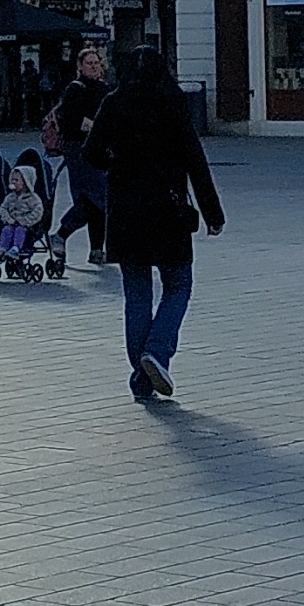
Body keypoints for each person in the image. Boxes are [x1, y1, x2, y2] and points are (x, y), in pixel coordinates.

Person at [83, 45, 225, 402]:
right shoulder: (173, 102)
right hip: (168, 210)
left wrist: (118, 158)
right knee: (178, 285)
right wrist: (212, 213)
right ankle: (157, 352)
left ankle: (141, 376)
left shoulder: (113, 102)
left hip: (127, 213)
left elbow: (91, 154)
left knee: (137, 295)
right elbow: (195, 159)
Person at [53, 47, 111, 262]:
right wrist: (91, 126)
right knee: (92, 198)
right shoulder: (75, 89)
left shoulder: (104, 88)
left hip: (101, 150)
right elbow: (70, 120)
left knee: (98, 200)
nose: (94, 66)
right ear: (80, 66)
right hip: (79, 151)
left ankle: (96, 249)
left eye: (96, 63)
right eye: (89, 63)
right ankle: (61, 234)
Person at [0, 165, 44, 256]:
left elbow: (38, 211)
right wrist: (8, 219)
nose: (13, 182)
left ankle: (16, 248)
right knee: (6, 230)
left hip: (25, 225)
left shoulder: (32, 198)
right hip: (11, 222)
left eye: (16, 180)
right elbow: (3, 208)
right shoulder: (10, 197)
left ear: (26, 182)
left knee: (20, 231)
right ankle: (2, 248)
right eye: (12, 180)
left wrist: (26, 221)